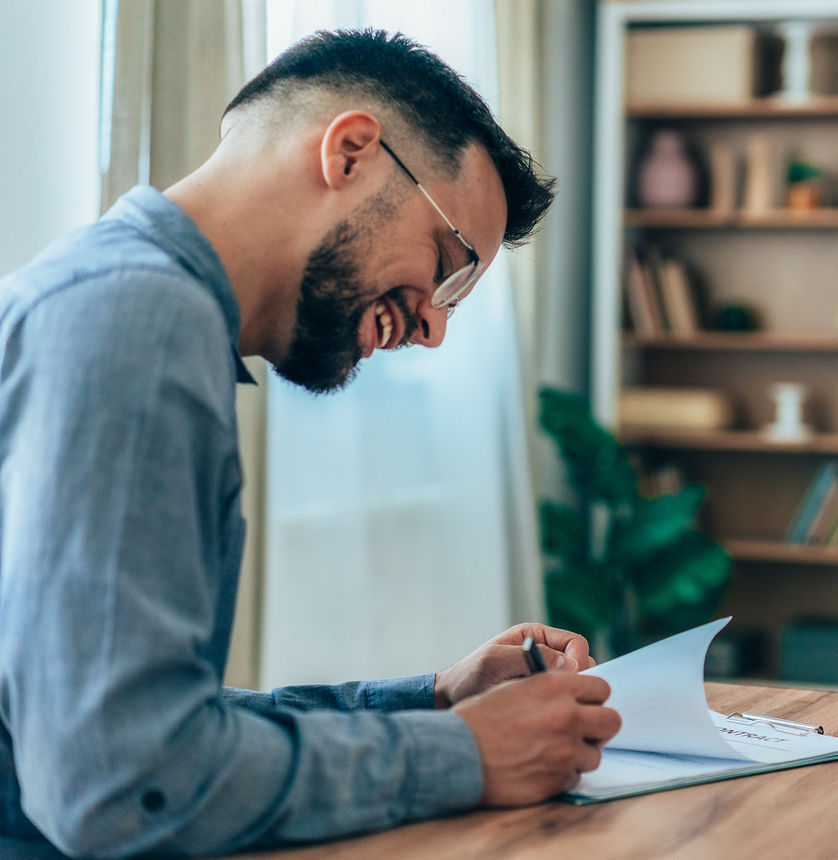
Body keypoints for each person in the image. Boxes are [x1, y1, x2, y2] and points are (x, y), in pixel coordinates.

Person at [0, 29, 621, 857]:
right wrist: (467, 755)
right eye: (449, 263)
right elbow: (125, 788)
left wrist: (435, 701)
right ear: (352, 152)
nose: (434, 326)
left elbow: (147, 730)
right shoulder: (137, 323)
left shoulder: (126, 301)